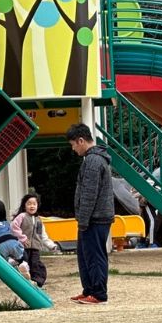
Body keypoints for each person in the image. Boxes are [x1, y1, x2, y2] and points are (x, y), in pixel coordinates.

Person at [67, 123, 114, 305]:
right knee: (86, 255)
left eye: (73, 144)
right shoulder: (95, 159)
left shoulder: (93, 161)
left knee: (94, 256)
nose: (73, 148)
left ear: (81, 140)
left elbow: (89, 194)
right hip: (95, 218)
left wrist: (83, 220)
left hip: (95, 219)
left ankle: (99, 293)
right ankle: (89, 290)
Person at [12, 193, 59, 287]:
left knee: (36, 265)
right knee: (25, 264)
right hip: (23, 247)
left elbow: (42, 235)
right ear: (24, 206)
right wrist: (23, 238)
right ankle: (23, 281)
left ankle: (37, 282)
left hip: (35, 248)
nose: (32, 206)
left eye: (34, 204)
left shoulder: (38, 220)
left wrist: (51, 245)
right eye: (29, 203)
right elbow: (14, 227)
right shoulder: (22, 216)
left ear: (37, 206)